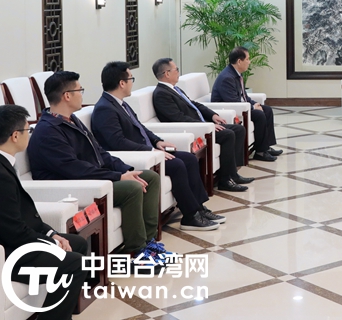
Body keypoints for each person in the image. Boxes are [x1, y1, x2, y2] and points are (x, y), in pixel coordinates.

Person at [28, 72, 169, 264]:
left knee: (149, 177)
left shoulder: (71, 119)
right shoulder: (48, 131)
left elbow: (100, 152)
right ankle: (137, 251)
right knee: (131, 188)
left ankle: (149, 242)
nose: (82, 95)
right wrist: (118, 177)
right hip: (74, 186)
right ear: (67, 95)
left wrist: (125, 170)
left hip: (93, 178)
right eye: (80, 90)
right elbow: (74, 169)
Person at [92, 61, 222, 232]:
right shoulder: (105, 109)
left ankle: (199, 208)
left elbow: (140, 127)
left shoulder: (120, 103)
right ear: (122, 83)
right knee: (177, 165)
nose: (132, 83)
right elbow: (117, 142)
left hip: (149, 151)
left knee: (189, 158)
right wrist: (151, 151)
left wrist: (157, 141)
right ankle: (190, 216)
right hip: (137, 158)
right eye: (131, 79)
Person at [0, 104, 88, 320]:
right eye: (27, 129)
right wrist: (51, 244)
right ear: (15, 136)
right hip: (10, 253)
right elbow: (13, 231)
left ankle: (60, 309)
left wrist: (52, 234)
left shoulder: (7, 163)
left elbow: (26, 215)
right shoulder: (1, 175)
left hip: (18, 241)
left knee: (78, 243)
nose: (29, 134)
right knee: (75, 263)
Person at [151, 58, 253, 193]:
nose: (178, 72)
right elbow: (178, 118)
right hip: (192, 129)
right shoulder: (161, 94)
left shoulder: (175, 89)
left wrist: (212, 115)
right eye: (176, 69)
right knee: (228, 134)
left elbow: (194, 105)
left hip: (202, 125)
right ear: (167, 73)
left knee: (239, 129)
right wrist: (206, 126)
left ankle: (232, 173)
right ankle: (225, 181)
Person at [211, 47, 281, 161]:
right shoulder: (227, 78)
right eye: (247, 59)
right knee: (259, 115)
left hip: (240, 106)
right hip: (228, 110)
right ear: (239, 61)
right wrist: (253, 107)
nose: (249, 62)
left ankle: (266, 147)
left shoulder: (237, 74)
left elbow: (244, 97)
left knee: (267, 110)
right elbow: (233, 102)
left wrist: (255, 104)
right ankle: (260, 152)